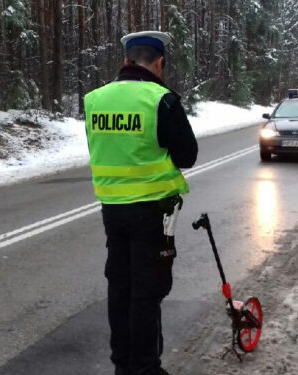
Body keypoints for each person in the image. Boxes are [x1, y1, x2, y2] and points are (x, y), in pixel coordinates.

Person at [83, 30, 198, 375]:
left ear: (125, 60)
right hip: (152, 212)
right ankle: (146, 369)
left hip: (112, 210)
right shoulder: (162, 100)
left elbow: (100, 148)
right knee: (147, 291)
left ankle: (123, 365)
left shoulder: (94, 100)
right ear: (159, 63)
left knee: (120, 287)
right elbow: (188, 156)